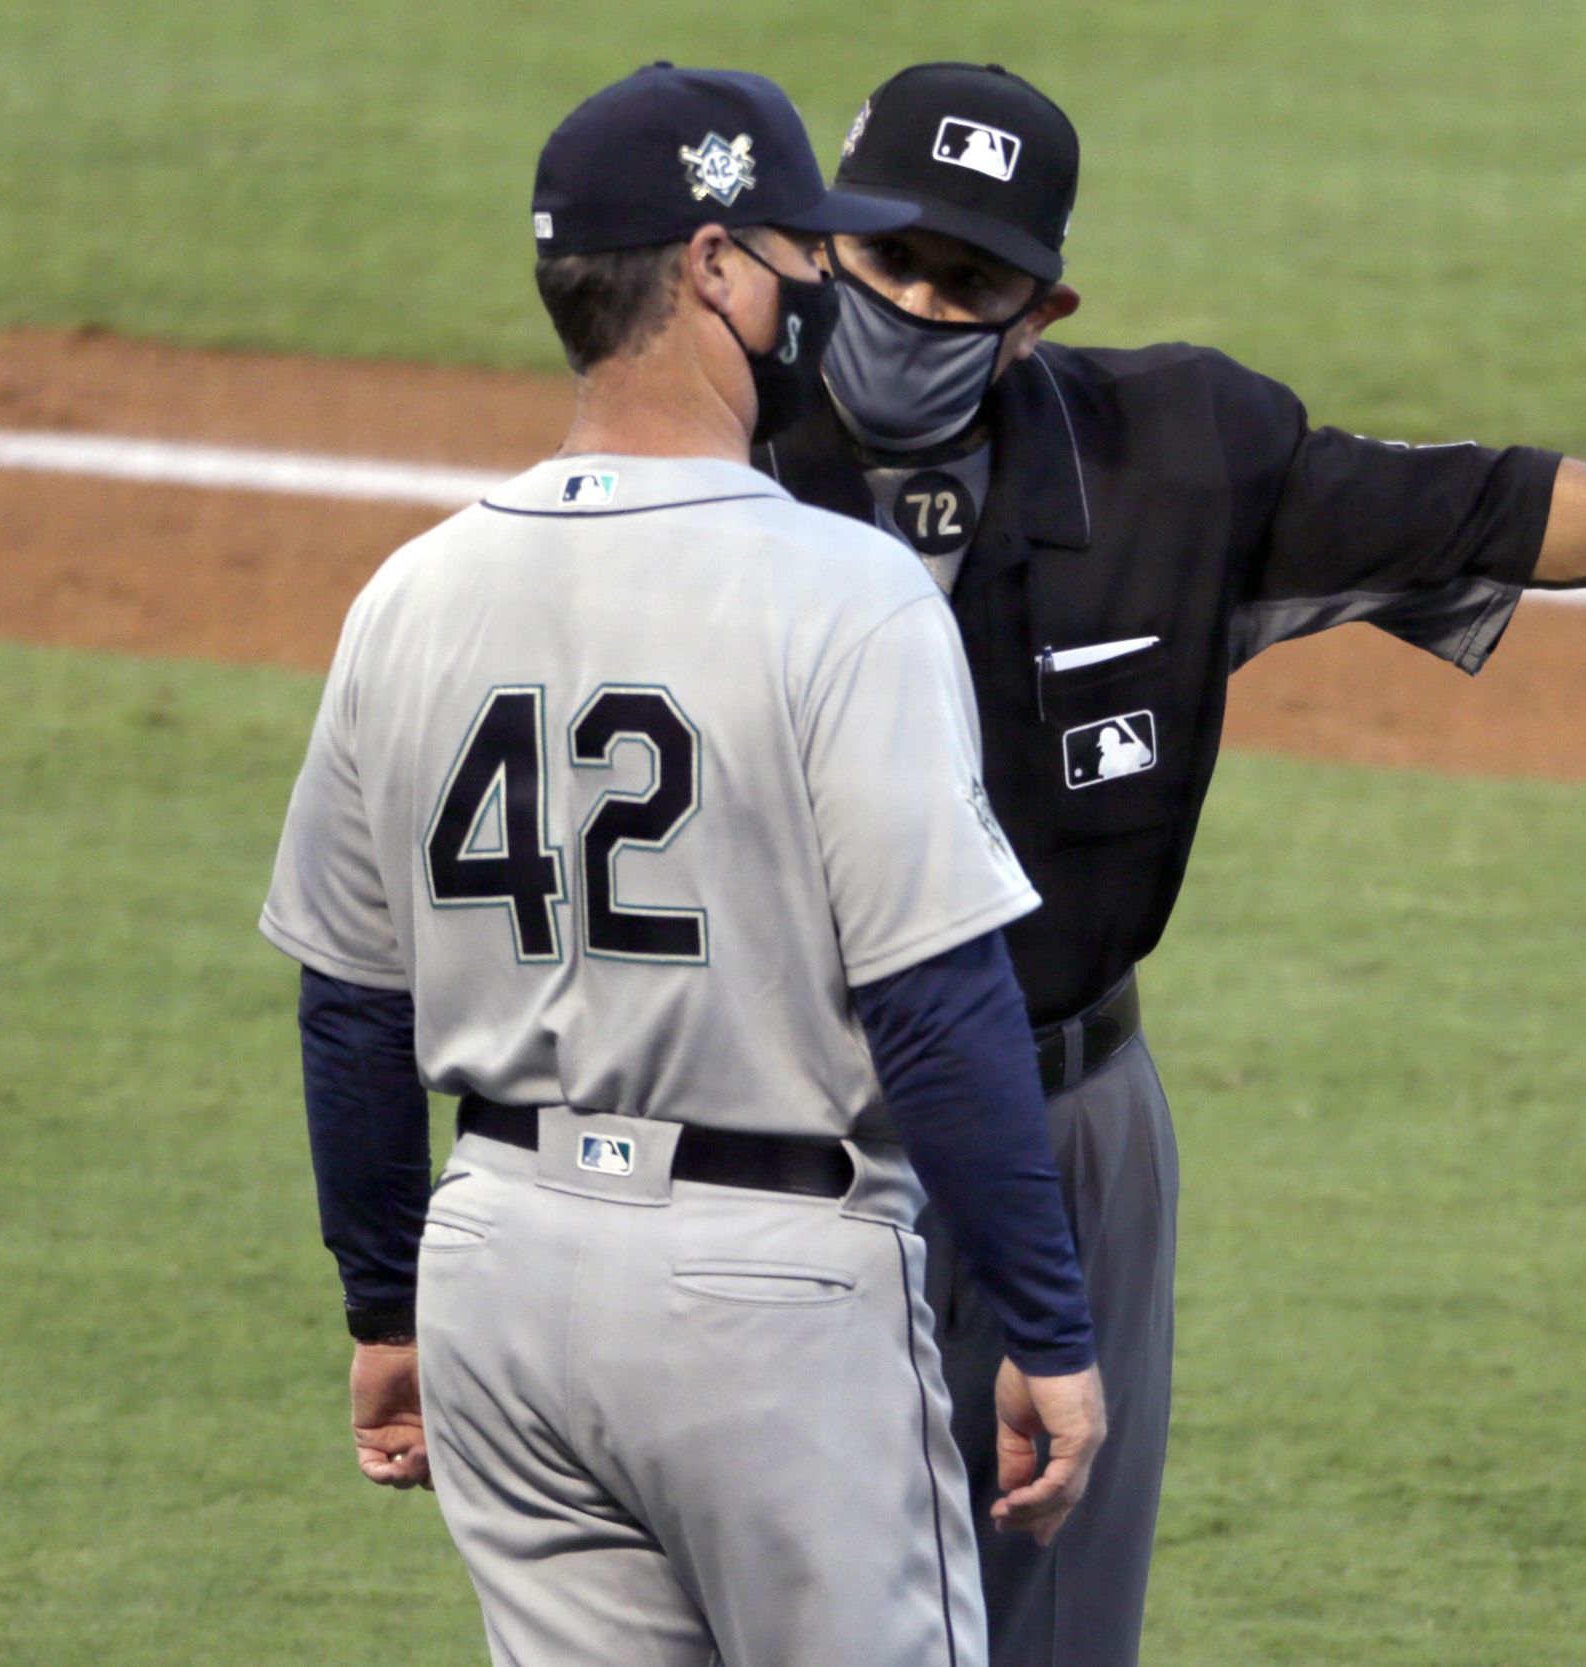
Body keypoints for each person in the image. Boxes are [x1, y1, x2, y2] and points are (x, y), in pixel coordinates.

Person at [755, 60, 1586, 1667]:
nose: (913, 301)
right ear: (818, 246)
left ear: (1041, 309)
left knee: (1051, 1627)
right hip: (790, 1123)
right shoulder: (710, 461)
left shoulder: (1175, 461)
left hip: (1071, 1121)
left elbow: (1494, 510)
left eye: (964, 280)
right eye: (886, 257)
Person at [260, 62, 1107, 1666]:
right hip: (769, 1297)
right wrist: (1049, 1328)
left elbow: (352, 1010)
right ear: (714, 268)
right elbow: (937, 1003)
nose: (817, 303)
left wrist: (387, 1303)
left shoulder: (411, 594)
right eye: (801, 258)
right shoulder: (844, 593)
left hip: (497, 1271)